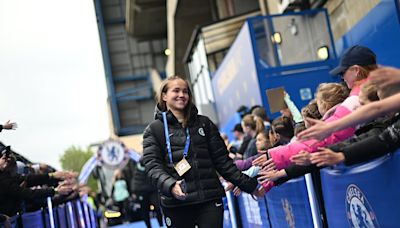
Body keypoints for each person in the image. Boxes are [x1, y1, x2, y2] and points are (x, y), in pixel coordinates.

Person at [142, 76, 258, 228]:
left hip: (209, 199)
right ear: (164, 96)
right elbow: (152, 167)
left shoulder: (204, 123)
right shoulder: (154, 130)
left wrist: (251, 186)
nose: (181, 95)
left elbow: (223, 162)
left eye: (185, 91)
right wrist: (170, 186)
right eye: (176, 90)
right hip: (176, 204)